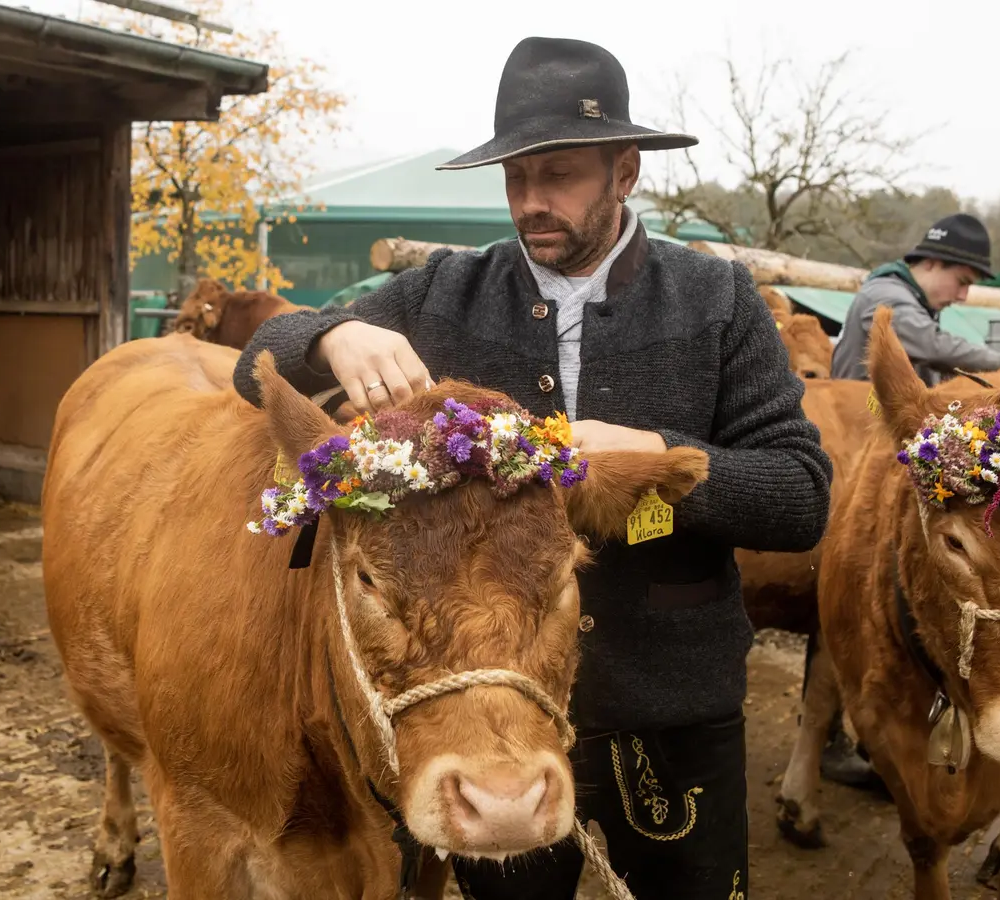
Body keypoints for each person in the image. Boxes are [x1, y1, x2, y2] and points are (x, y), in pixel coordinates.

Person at [232, 36, 831, 898]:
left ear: (625, 171)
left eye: (559, 174)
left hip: (670, 706)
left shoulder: (718, 300)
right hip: (482, 717)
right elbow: (257, 354)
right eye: (516, 177)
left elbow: (803, 497)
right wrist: (330, 333)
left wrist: (662, 460)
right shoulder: (443, 294)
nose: (530, 201)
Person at [830, 213, 1000, 384]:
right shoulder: (886, 296)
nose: (962, 296)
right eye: (961, 282)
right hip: (858, 414)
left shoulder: (915, 301)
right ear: (931, 263)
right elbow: (933, 346)